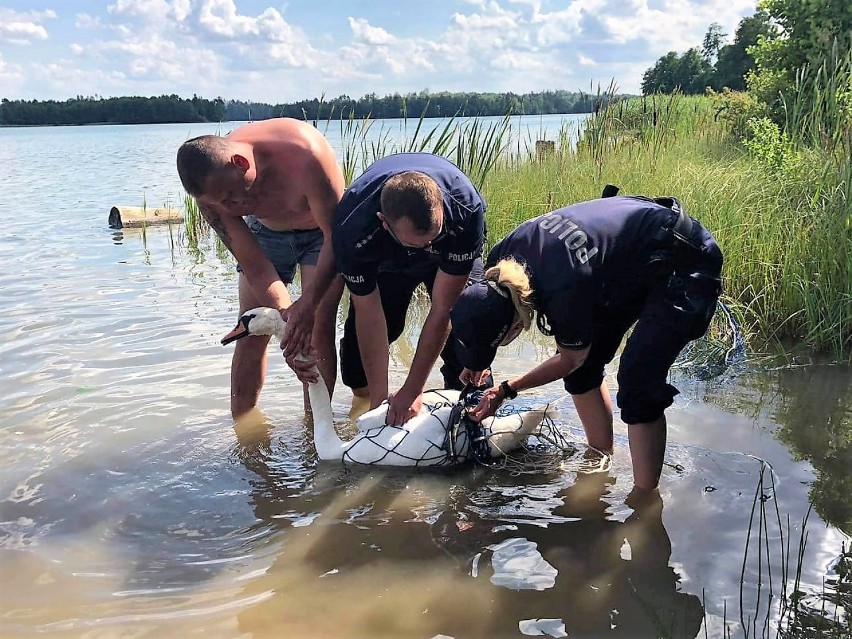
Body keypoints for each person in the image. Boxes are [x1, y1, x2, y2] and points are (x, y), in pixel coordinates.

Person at [449, 190, 723, 491]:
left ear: (516, 327)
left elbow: (570, 359)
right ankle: (600, 458)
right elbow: (577, 361)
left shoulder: (564, 290)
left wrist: (505, 389)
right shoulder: (500, 262)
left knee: (638, 381)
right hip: (631, 259)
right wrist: (476, 365)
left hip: (685, 257)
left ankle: (643, 499)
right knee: (584, 371)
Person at [176, 118, 345, 419]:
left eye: (231, 198)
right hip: (267, 232)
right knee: (251, 329)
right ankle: (243, 429)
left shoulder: (306, 155)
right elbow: (252, 262)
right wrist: (286, 323)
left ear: (240, 163)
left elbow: (336, 236)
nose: (230, 209)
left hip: (324, 233)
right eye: (220, 204)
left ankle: (316, 429)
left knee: (317, 328)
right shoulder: (211, 194)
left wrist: (306, 307)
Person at [309, 152, 486, 426]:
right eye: (419, 244)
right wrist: (381, 407)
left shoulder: (465, 208)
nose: (427, 247)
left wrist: (413, 389)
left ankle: (471, 413)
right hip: (388, 262)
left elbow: (442, 310)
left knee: (468, 332)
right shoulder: (352, 228)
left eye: (432, 237)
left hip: (449, 253)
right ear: (384, 221)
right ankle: (367, 402)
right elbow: (369, 315)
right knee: (357, 364)